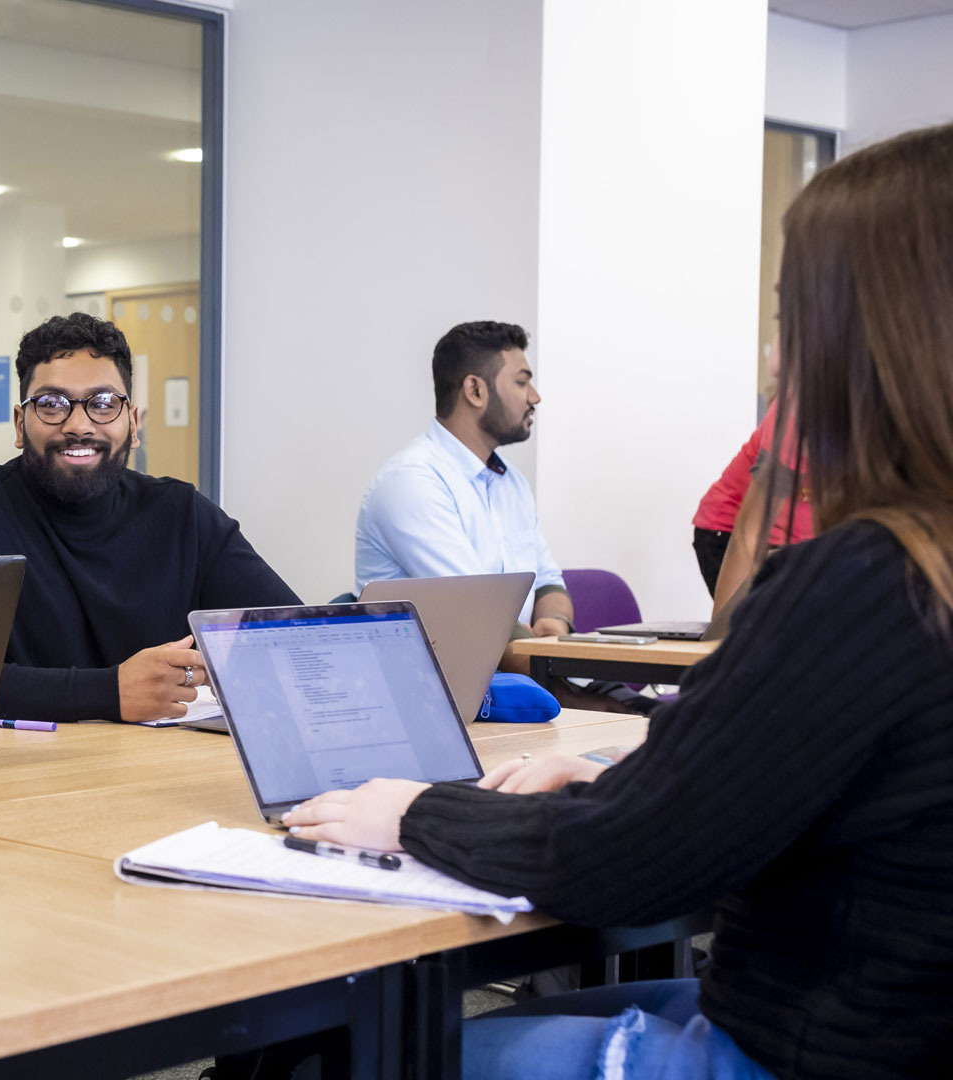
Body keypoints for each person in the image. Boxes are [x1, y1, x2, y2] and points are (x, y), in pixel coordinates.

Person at [286, 122, 953, 1079]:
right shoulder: (412, 479)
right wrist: (621, 781)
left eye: (791, 320)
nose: (776, 362)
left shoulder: (869, 583)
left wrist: (420, 813)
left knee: (339, 1059)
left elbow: (638, 862)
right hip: (884, 1019)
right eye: (524, 379)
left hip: (814, 1045)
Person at [0, 312, 300, 723]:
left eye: (103, 403)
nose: (79, 425)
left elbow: (298, 641)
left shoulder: (183, 516)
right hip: (22, 778)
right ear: (21, 425)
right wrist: (108, 691)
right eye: (52, 404)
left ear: (133, 422)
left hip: (165, 775)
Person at [354, 321, 574, 642]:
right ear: (475, 391)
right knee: (617, 694)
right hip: (446, 686)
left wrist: (554, 624)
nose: (535, 397)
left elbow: (548, 582)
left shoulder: (511, 482)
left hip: (522, 669)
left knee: (626, 692)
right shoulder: (412, 482)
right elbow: (477, 614)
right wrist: (551, 663)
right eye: (522, 383)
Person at [691, 340, 813, 605]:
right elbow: (749, 534)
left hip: (787, 539)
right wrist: (725, 641)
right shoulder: (796, 412)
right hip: (726, 530)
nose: (773, 370)